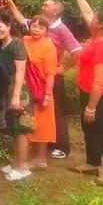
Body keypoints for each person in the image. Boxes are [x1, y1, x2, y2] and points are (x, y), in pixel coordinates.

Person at [4, 0, 82, 159]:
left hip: (50, 77)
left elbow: (77, 52)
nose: (42, 6)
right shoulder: (37, 26)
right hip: (33, 79)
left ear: (55, 10)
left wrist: (63, 69)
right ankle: (36, 143)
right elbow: (20, 20)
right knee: (36, 112)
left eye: (46, 4)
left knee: (55, 112)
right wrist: (10, 2)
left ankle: (60, 146)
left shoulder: (61, 30)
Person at [63, 0, 103, 182]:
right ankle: (92, 163)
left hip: (97, 96)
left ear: (100, 24)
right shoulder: (97, 36)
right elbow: (87, 12)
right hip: (86, 92)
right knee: (89, 129)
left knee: (100, 130)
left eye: (95, 18)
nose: (90, 18)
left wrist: (92, 106)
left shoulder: (102, 45)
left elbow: (100, 81)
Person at [0, 13, 31, 181]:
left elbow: (21, 72)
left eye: (0, 26)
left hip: (21, 94)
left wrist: (16, 95)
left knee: (22, 130)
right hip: (7, 92)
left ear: (9, 26)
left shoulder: (17, 44)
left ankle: (23, 167)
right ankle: (16, 163)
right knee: (14, 129)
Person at [23, 16, 58, 169]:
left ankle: (40, 158)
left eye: (41, 27)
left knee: (43, 125)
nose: (36, 29)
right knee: (27, 122)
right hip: (26, 90)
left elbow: (50, 74)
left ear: (46, 31)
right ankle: (28, 155)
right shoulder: (24, 40)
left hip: (41, 91)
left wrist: (47, 95)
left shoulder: (49, 46)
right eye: (34, 26)